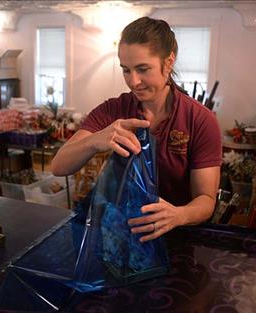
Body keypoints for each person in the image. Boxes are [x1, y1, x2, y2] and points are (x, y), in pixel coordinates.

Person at [51, 16, 222, 242]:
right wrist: (94, 140)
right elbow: (59, 166)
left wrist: (178, 215)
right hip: (119, 237)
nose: (133, 82)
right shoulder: (114, 110)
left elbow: (205, 199)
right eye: (126, 70)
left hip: (176, 238)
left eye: (143, 69)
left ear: (169, 62)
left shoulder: (200, 120)